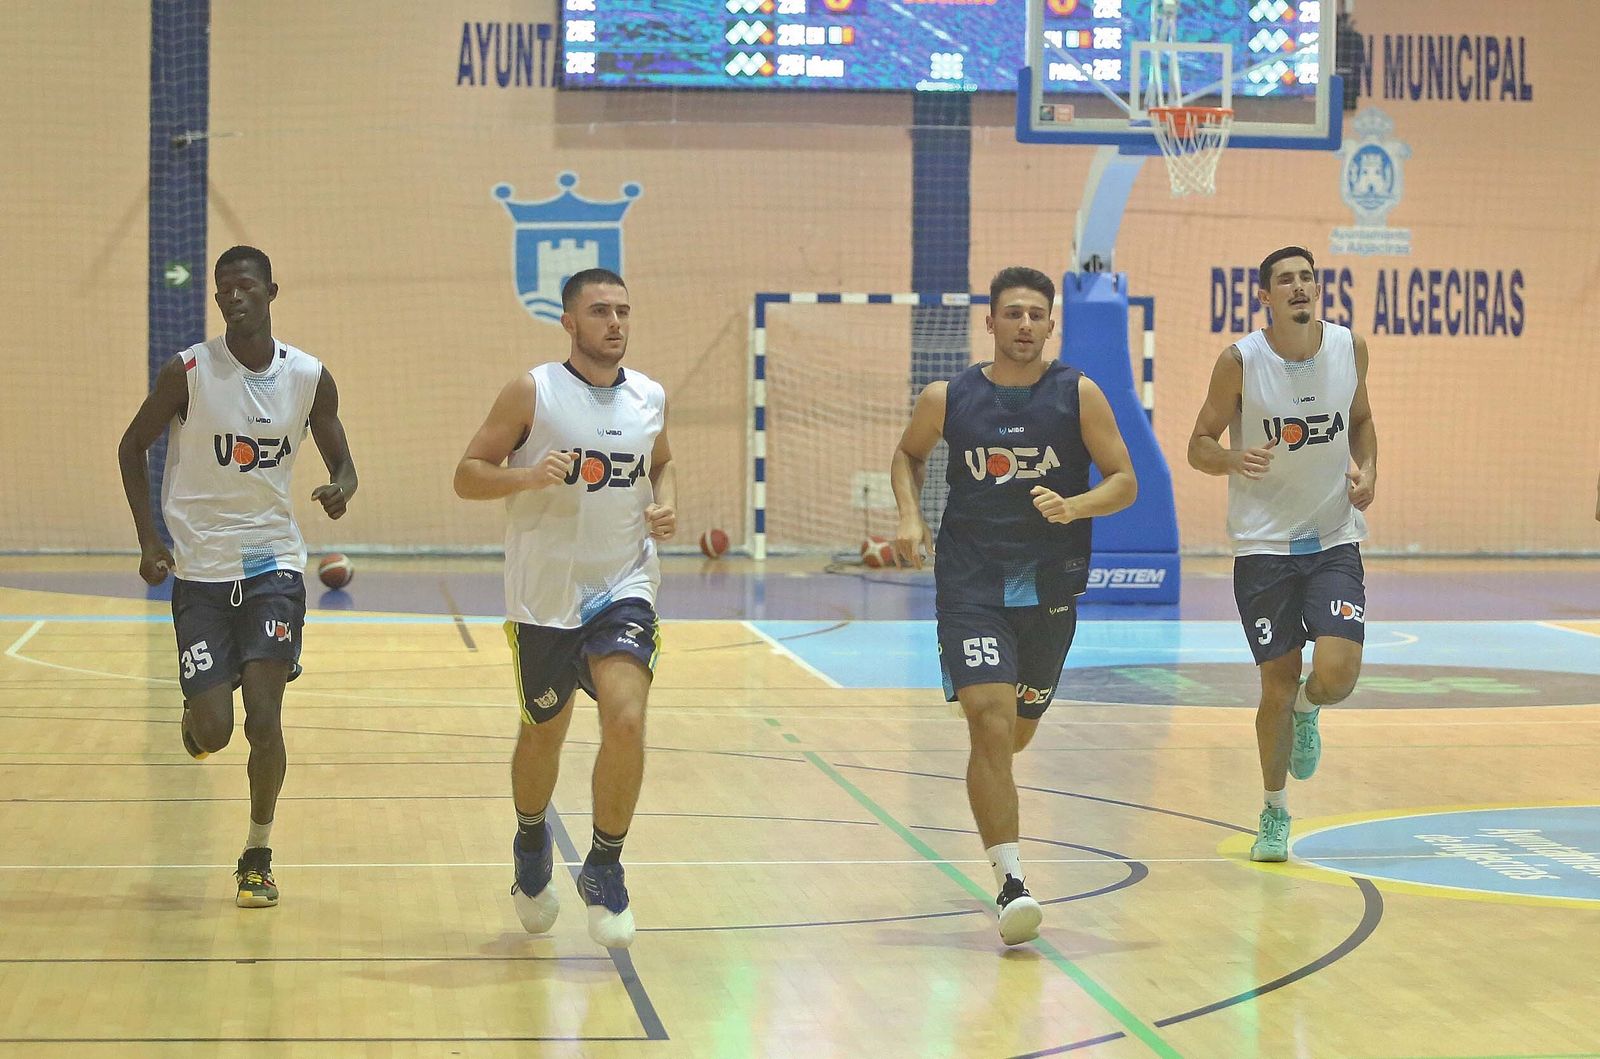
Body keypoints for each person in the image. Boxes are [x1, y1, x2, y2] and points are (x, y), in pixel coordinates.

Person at [891, 265, 1138, 946]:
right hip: (971, 581)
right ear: (990, 321)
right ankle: (1011, 881)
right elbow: (907, 457)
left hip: (1050, 588)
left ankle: (1002, 821)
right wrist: (911, 517)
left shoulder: (1078, 394)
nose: (1024, 324)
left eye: (1036, 314)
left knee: (1017, 730)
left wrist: (1076, 505)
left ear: (1050, 323)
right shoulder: (949, 396)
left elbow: (1124, 480)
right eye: (1013, 313)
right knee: (990, 723)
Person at [117, 245, 358, 907]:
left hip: (273, 565)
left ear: (271, 291)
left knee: (264, 719)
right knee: (216, 730)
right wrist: (148, 538)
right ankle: (197, 718)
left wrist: (341, 485)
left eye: (246, 286)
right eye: (224, 290)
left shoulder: (308, 376)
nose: (234, 298)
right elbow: (131, 446)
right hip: (198, 570)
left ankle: (257, 851)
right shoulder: (188, 372)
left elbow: (344, 460)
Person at [454, 267, 675, 950]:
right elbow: (467, 474)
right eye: (600, 310)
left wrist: (666, 501)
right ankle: (529, 840)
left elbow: (660, 462)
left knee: (628, 719)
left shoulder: (649, 397)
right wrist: (527, 473)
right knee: (543, 732)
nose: (615, 322)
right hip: (544, 595)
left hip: (624, 584)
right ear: (570, 322)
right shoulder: (533, 391)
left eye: (624, 310)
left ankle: (604, 864)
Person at [1186, 245, 1377, 863]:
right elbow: (1197, 445)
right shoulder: (1240, 361)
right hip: (1264, 546)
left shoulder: (1350, 348)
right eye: (1284, 280)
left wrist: (1368, 468)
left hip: (1333, 538)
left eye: (1306, 278)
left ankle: (1308, 709)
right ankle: (1274, 812)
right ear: (1263, 296)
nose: (1299, 287)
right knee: (1275, 681)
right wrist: (1230, 457)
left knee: (1338, 674)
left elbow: (1364, 419)